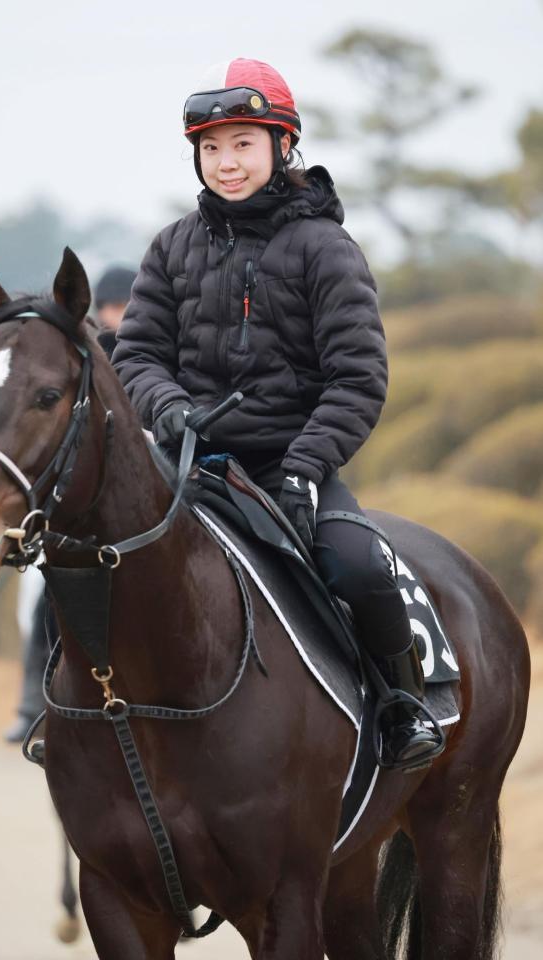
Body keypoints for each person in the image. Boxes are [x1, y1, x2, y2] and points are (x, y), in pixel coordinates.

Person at [111, 58, 443, 769]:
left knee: (357, 565)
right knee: (90, 556)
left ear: (282, 145)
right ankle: (69, 713)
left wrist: (305, 467)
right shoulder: (170, 247)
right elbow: (135, 356)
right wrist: (168, 408)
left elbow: (358, 378)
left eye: (242, 145)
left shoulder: (326, 249)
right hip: (185, 462)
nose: (225, 163)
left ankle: (402, 704)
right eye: (211, 148)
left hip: (291, 468)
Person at [4, 263, 136, 743]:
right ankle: (33, 704)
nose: (117, 314)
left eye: (124, 305)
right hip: (89, 505)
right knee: (47, 598)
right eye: (111, 306)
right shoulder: (87, 357)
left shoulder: (149, 351)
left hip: (139, 493)